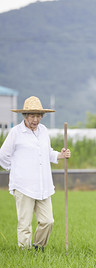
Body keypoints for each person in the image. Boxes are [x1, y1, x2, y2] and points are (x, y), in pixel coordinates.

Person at [0, 96, 71, 252]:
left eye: (38, 116)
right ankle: (24, 253)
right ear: (25, 116)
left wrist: (61, 154)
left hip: (43, 184)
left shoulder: (43, 131)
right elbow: (3, 156)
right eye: (32, 115)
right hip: (23, 185)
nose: (35, 119)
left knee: (48, 221)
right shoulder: (16, 132)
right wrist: (16, 169)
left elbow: (47, 152)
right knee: (25, 224)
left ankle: (38, 248)